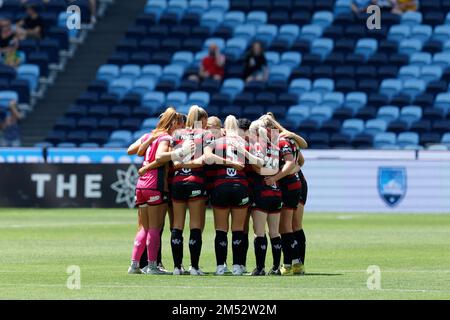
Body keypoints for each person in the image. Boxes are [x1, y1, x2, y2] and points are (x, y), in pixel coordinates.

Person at [127, 108, 194, 275]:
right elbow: (159, 157)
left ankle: (134, 265)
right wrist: (181, 151)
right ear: (173, 123)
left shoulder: (149, 135)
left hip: (141, 185)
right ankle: (152, 266)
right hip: (155, 184)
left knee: (144, 228)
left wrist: (148, 145)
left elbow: (132, 151)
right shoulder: (165, 138)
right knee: (155, 229)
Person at [205, 115, 263, 276]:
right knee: (238, 229)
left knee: (221, 229)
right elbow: (259, 163)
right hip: (240, 186)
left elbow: (208, 158)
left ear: (224, 127)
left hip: (221, 185)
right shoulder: (243, 142)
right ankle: (237, 266)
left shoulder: (216, 141)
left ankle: (220, 267)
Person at [259, 114, 306, 275]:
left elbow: (290, 163)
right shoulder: (282, 140)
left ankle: (290, 264)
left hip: (289, 186)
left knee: (285, 226)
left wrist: (274, 178)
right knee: (286, 226)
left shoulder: (282, 140)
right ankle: (295, 263)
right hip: (292, 184)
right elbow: (300, 161)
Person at [169, 105, 210, 276]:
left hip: (177, 182)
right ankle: (194, 267)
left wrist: (181, 165)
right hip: (195, 181)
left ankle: (177, 268)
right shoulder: (204, 135)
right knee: (195, 225)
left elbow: (173, 159)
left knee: (177, 226)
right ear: (203, 120)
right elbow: (205, 158)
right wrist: (190, 164)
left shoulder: (177, 133)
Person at [247, 119, 283, 276]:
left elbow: (258, 168)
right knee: (274, 232)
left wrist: (247, 156)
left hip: (261, 191)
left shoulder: (256, 146)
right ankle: (276, 268)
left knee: (259, 232)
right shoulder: (274, 147)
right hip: (275, 191)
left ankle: (260, 268)